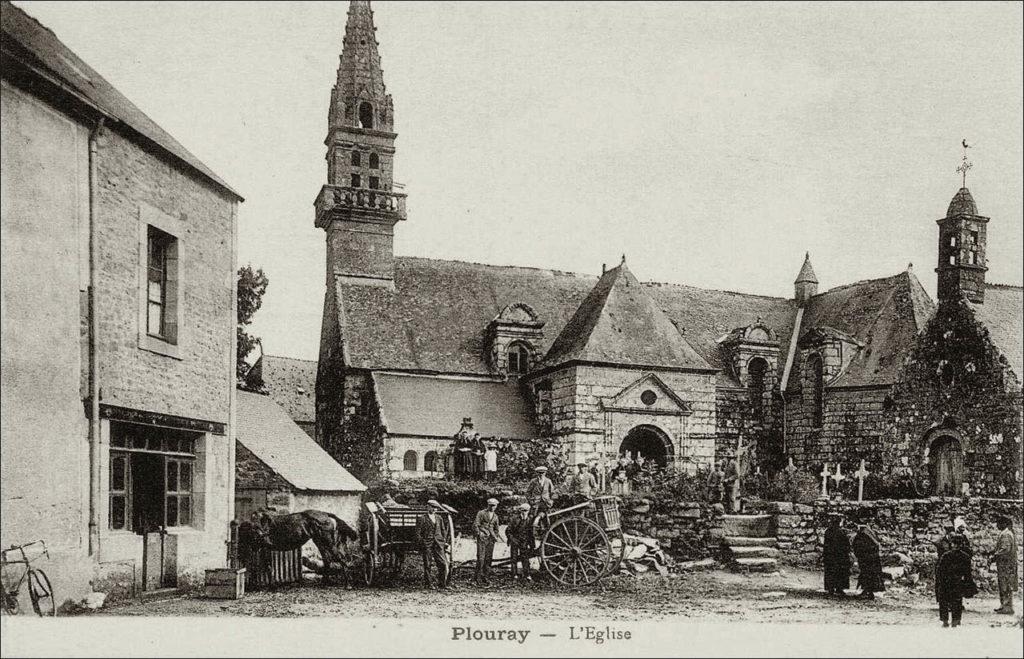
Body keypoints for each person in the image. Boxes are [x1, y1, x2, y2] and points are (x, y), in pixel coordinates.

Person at [935, 533, 976, 627]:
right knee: (957, 601)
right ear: (961, 544)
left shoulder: (946, 555)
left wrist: (940, 582)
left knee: (944, 601)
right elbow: (967, 573)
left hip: (946, 582)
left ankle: (945, 621)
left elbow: (940, 570)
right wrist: (967, 584)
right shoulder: (965, 557)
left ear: (952, 544)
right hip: (958, 582)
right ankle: (956, 620)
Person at [416, 500, 450, 590]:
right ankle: (428, 584)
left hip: (438, 543)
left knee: (442, 563)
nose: (435, 509)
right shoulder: (422, 518)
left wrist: (443, 540)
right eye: (433, 507)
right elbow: (418, 533)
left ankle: (442, 584)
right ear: (428, 507)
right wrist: (422, 542)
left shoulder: (439, 518)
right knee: (427, 564)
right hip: (427, 544)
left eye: (436, 508)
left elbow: (443, 530)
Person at [852, 523, 885, 600]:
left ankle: (867, 592)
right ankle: (868, 592)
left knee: (867, 575)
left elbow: (860, 546)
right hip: (871, 558)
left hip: (867, 559)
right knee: (869, 575)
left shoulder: (863, 535)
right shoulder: (870, 534)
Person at [992, 515, 1018, 615]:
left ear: (1003, 524)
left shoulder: (1006, 534)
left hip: (1006, 565)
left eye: (998, 523)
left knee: (1005, 585)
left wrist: (994, 556)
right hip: (1006, 565)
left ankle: (1007, 607)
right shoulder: (1007, 533)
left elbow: (1005, 550)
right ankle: (1005, 605)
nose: (997, 525)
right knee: (1005, 585)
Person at [474, 498, 502, 586]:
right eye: (491, 505)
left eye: (494, 506)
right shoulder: (481, 513)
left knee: (488, 559)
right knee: (481, 558)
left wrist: (495, 537)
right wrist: (479, 534)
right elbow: (476, 524)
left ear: (496, 506)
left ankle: (486, 577)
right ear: (488, 505)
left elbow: (496, 529)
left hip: (491, 540)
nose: (492, 507)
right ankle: (477, 578)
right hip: (482, 539)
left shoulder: (495, 516)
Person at [822, 513, 851, 597]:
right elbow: (846, 545)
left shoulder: (828, 531)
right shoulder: (841, 532)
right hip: (840, 556)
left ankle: (830, 589)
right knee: (840, 572)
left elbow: (826, 545)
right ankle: (839, 588)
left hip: (830, 556)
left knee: (830, 572)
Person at [507, 503, 534, 581]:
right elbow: (508, 531)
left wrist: (532, 545)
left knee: (525, 558)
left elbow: (531, 533)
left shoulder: (530, 520)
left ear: (528, 511)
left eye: (526, 511)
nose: (524, 512)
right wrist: (512, 539)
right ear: (520, 511)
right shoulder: (514, 519)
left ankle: (527, 574)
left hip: (524, 541)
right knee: (514, 558)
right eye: (523, 511)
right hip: (515, 540)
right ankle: (514, 574)